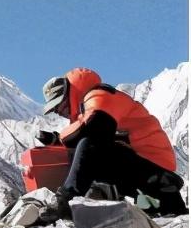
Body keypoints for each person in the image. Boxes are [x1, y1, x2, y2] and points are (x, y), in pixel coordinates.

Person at [39, 67, 186, 216]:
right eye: (55, 110)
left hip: (155, 169)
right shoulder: (88, 107)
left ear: (70, 94)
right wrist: (57, 140)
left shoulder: (100, 95)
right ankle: (98, 201)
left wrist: (60, 138)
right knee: (82, 150)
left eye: (60, 106)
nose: (59, 112)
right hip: (144, 169)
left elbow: (94, 127)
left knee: (88, 145)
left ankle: (66, 201)